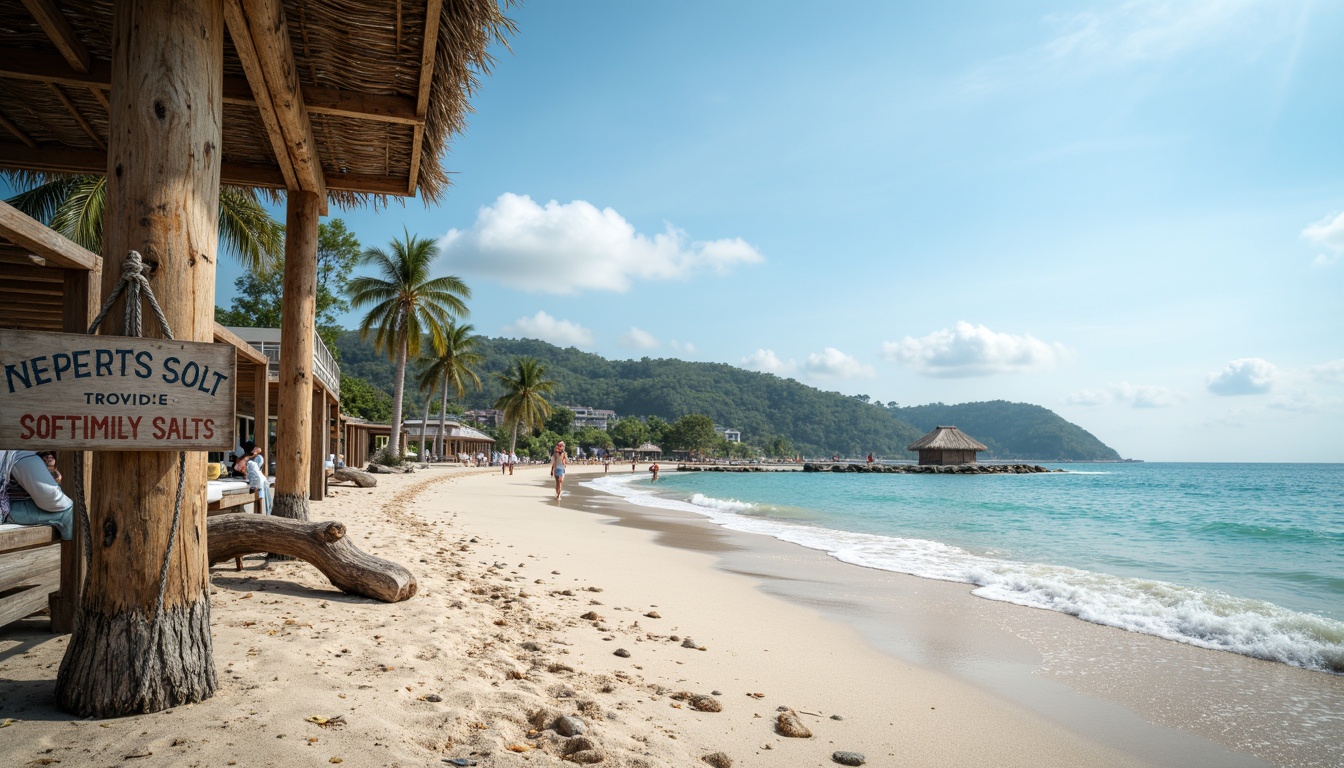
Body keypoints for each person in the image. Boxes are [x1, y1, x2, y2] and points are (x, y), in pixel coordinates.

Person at [0, 450, 74, 540]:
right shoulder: (24, 456)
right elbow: (51, 498)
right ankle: (74, 549)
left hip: (9, 507)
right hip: (8, 511)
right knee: (69, 511)